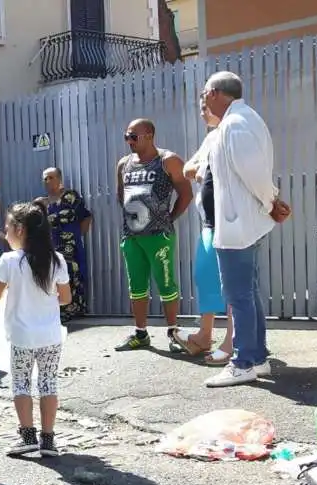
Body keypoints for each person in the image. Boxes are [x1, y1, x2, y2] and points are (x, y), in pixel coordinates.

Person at [201, 71, 289, 387]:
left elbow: (254, 174)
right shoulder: (243, 120)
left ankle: (243, 362)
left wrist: (271, 202)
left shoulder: (236, 125)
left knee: (238, 295)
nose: (203, 99)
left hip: (239, 226)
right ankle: (258, 357)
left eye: (204, 93)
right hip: (242, 224)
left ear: (214, 93)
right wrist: (270, 200)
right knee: (247, 293)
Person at [0, 203, 72, 457]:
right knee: (48, 383)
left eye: (7, 227)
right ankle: (48, 440)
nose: (5, 232)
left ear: (20, 229)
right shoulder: (56, 259)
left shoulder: (9, 261)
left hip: (21, 335)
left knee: (21, 383)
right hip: (50, 335)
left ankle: (27, 436)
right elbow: (65, 298)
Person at [114, 118, 194, 352]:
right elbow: (121, 194)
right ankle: (140, 334)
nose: (129, 141)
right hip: (132, 236)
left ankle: (173, 333)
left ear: (149, 135)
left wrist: (168, 218)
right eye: (126, 136)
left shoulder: (168, 160)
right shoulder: (124, 164)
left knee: (166, 284)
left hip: (159, 236)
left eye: (133, 136)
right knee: (136, 286)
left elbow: (186, 194)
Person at [173, 96, 233, 364]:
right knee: (206, 276)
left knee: (233, 285)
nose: (201, 113)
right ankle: (204, 335)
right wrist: (196, 169)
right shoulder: (211, 138)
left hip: (232, 224)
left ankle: (233, 342)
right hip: (210, 223)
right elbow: (188, 166)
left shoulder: (235, 133)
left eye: (203, 107)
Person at [38, 167, 92, 321]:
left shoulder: (70, 197)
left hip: (70, 246)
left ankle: (74, 309)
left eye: (51, 177)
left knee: (73, 274)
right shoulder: (42, 203)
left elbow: (86, 217)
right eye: (45, 179)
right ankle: (58, 310)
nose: (47, 181)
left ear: (59, 179)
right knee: (54, 276)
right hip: (51, 246)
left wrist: (74, 236)